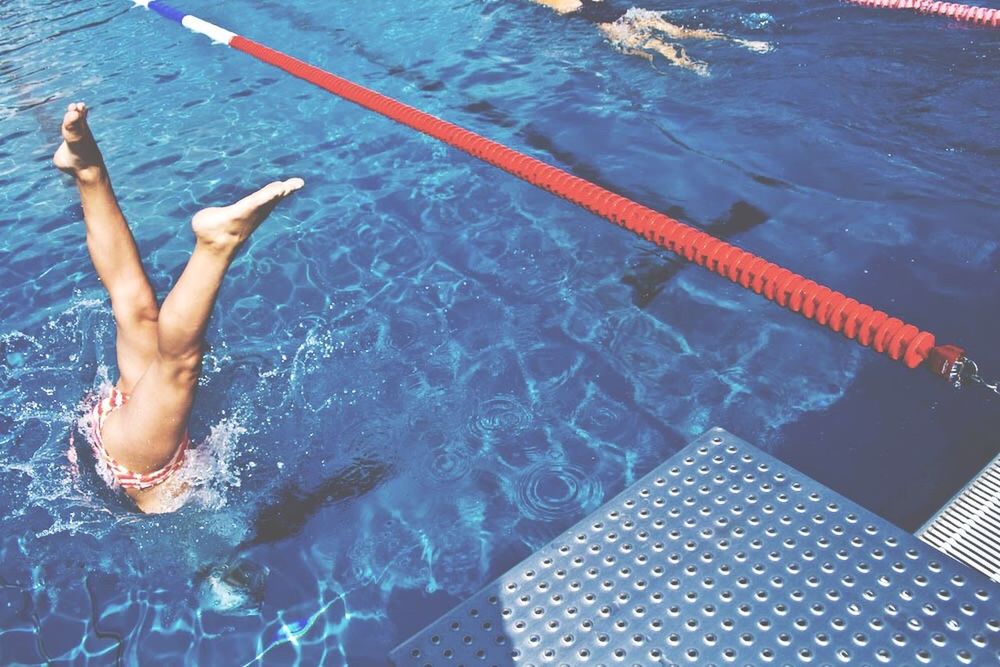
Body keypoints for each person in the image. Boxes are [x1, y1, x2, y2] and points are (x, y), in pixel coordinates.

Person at [55, 102, 303, 514]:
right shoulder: (211, 550)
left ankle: (217, 245)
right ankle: (86, 169)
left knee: (179, 363)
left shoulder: (213, 549)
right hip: (115, 425)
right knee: (134, 307)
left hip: (136, 465)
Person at [531, 0, 771, 75]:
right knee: (682, 32)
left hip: (609, 24)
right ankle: (743, 42)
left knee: (657, 47)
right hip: (630, 13)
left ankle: (695, 67)